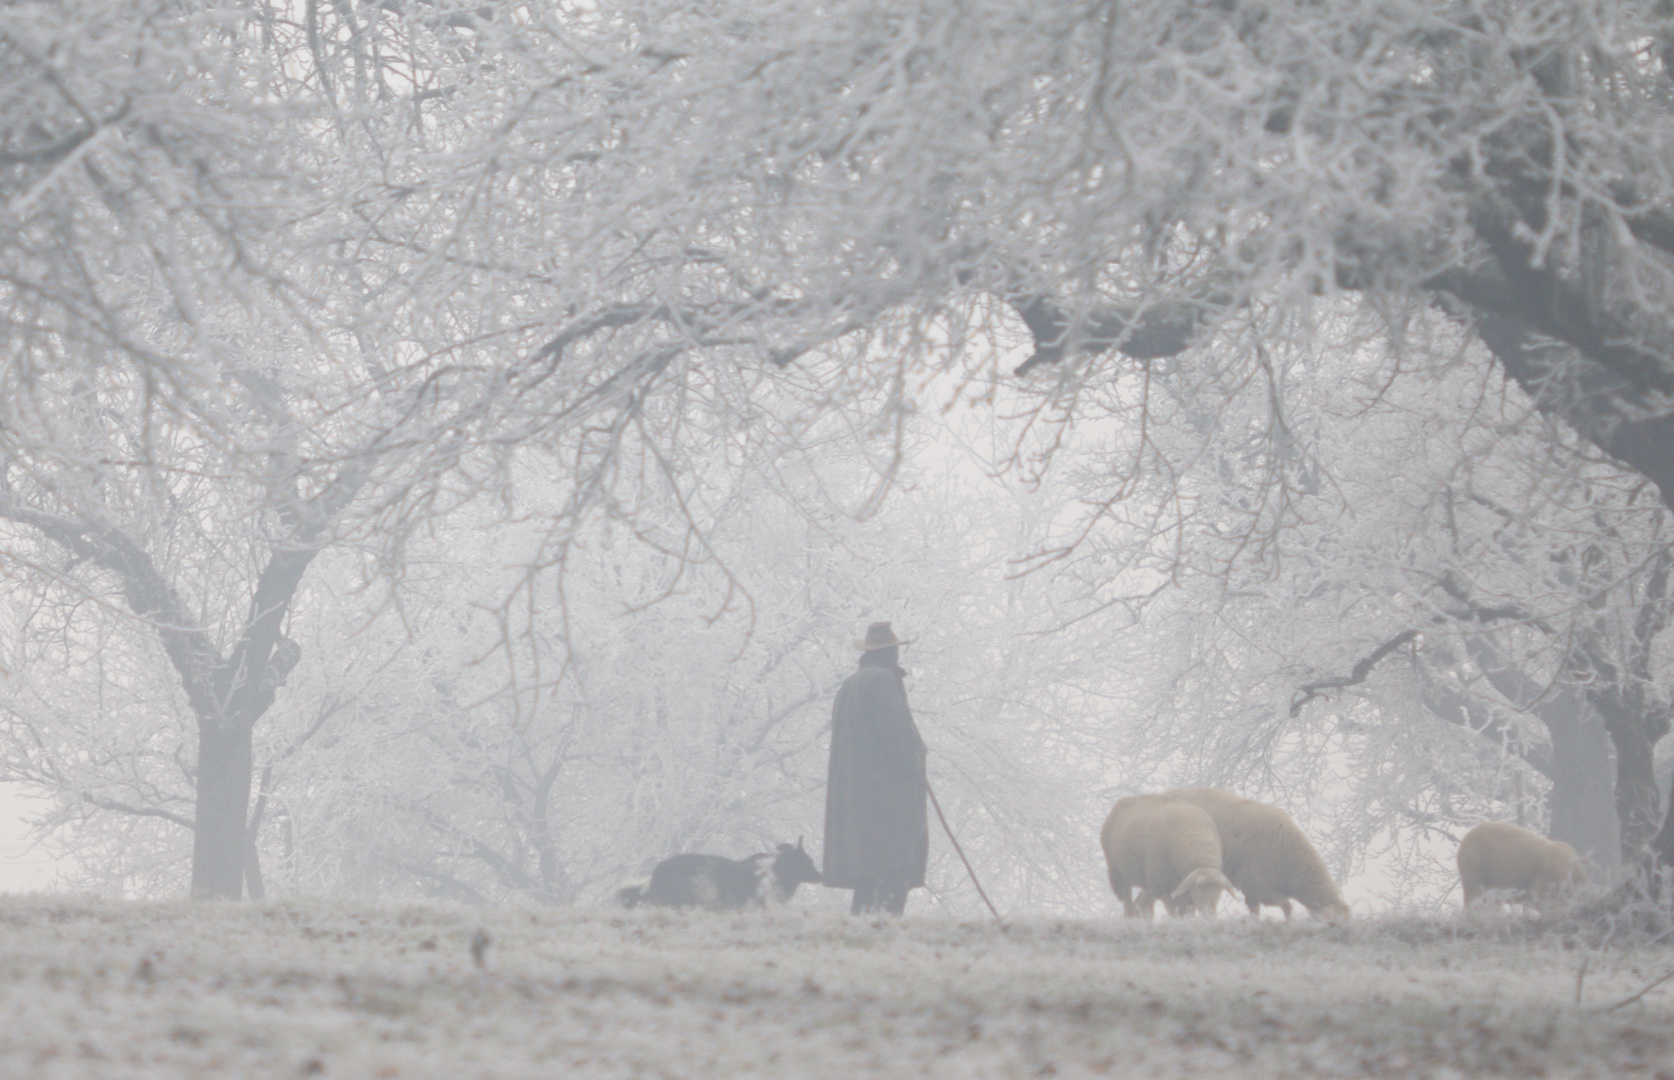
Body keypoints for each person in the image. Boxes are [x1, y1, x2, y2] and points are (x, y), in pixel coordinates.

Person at [822, 621, 928, 915]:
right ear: (890, 653)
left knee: (869, 880)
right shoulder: (882, 681)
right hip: (886, 803)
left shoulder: (851, 685)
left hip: (859, 802)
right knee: (893, 870)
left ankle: (863, 940)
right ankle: (884, 937)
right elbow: (898, 738)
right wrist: (916, 763)